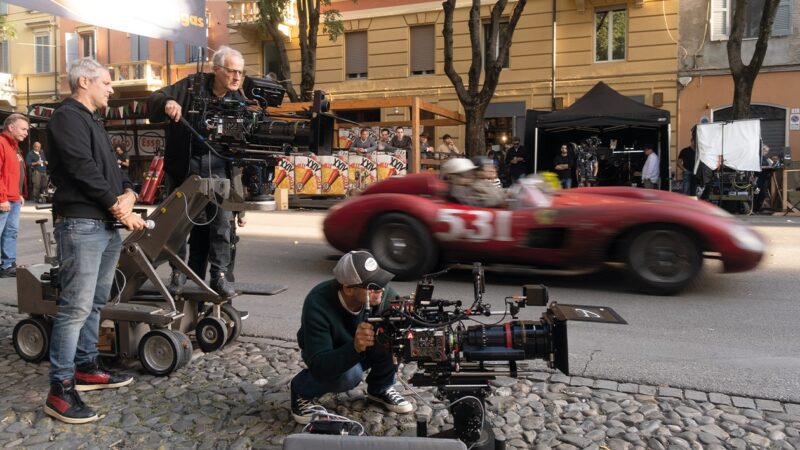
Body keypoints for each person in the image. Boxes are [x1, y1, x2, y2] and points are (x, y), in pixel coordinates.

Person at [44, 57, 146, 424]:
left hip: (104, 226)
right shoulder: (66, 117)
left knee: (95, 302)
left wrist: (130, 193)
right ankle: (59, 390)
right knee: (74, 308)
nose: (112, 88)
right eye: (106, 82)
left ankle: (86, 366)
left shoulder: (93, 119)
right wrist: (121, 211)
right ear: (85, 81)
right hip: (82, 224)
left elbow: (114, 170)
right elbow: (82, 169)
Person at [148, 46, 246, 298]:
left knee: (222, 226)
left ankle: (219, 276)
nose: (237, 77)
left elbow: (242, 153)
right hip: (185, 169)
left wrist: (241, 203)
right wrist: (168, 102)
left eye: (240, 73)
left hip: (220, 172)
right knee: (177, 225)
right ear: (217, 70)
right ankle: (178, 273)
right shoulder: (192, 86)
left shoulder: (239, 101)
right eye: (232, 71)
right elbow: (156, 98)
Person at [290, 251, 413, 424]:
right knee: (350, 375)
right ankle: (302, 390)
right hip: (329, 354)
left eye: (382, 281)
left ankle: (380, 388)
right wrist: (354, 347)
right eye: (374, 286)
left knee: (394, 340)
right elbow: (319, 363)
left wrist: (409, 318)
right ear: (348, 288)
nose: (382, 289)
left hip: (365, 348)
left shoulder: (383, 295)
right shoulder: (318, 302)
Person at [0, 114, 28, 278]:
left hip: (13, 197)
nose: (26, 133)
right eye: (23, 129)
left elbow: (15, 172)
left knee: (11, 232)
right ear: (11, 127)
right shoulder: (2, 144)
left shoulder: (14, 146)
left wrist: (18, 194)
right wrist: (2, 197)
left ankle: (7, 264)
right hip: (4, 198)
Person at [440, 158, 506, 208]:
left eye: (470, 173)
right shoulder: (456, 191)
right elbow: (477, 204)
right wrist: (499, 199)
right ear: (452, 177)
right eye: (465, 174)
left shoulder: (467, 188)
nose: (470, 177)